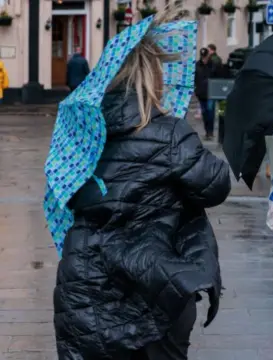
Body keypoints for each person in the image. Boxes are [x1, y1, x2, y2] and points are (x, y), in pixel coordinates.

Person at [49, 8, 230, 359]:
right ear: (154, 77)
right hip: (157, 285)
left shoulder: (82, 133)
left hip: (87, 285)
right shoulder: (170, 132)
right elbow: (215, 185)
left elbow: (69, 198)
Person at [195, 47, 216, 140]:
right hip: (201, 93)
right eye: (202, 57)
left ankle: (210, 132)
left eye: (205, 56)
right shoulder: (197, 65)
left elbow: (217, 76)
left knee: (210, 112)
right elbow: (195, 78)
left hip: (211, 93)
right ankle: (207, 131)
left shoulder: (213, 65)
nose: (204, 59)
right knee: (205, 113)